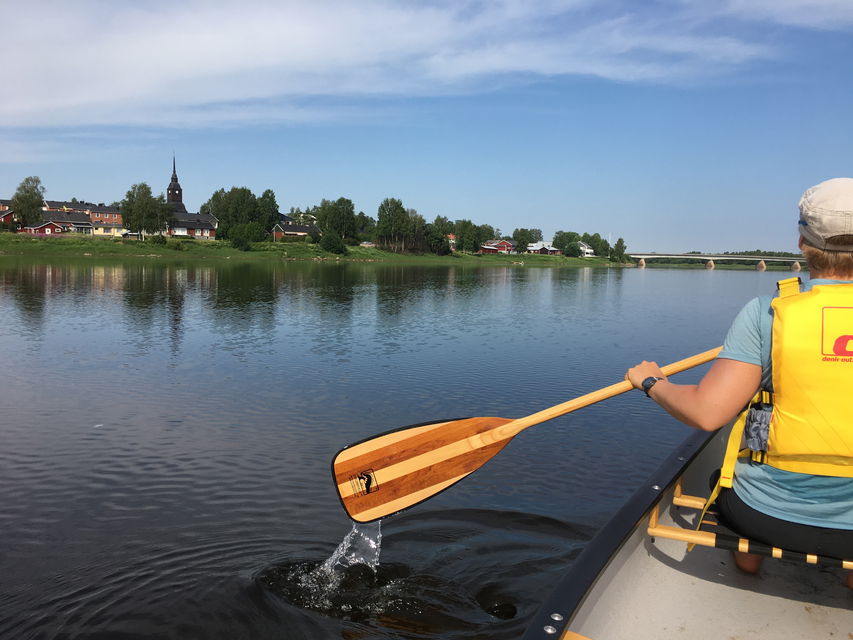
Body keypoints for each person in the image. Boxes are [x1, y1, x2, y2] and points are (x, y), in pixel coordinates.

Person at [626, 177, 853, 590]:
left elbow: (707, 412)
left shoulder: (767, 312)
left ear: (802, 242)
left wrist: (651, 381)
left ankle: (749, 563)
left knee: (725, 482)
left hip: (768, 516)